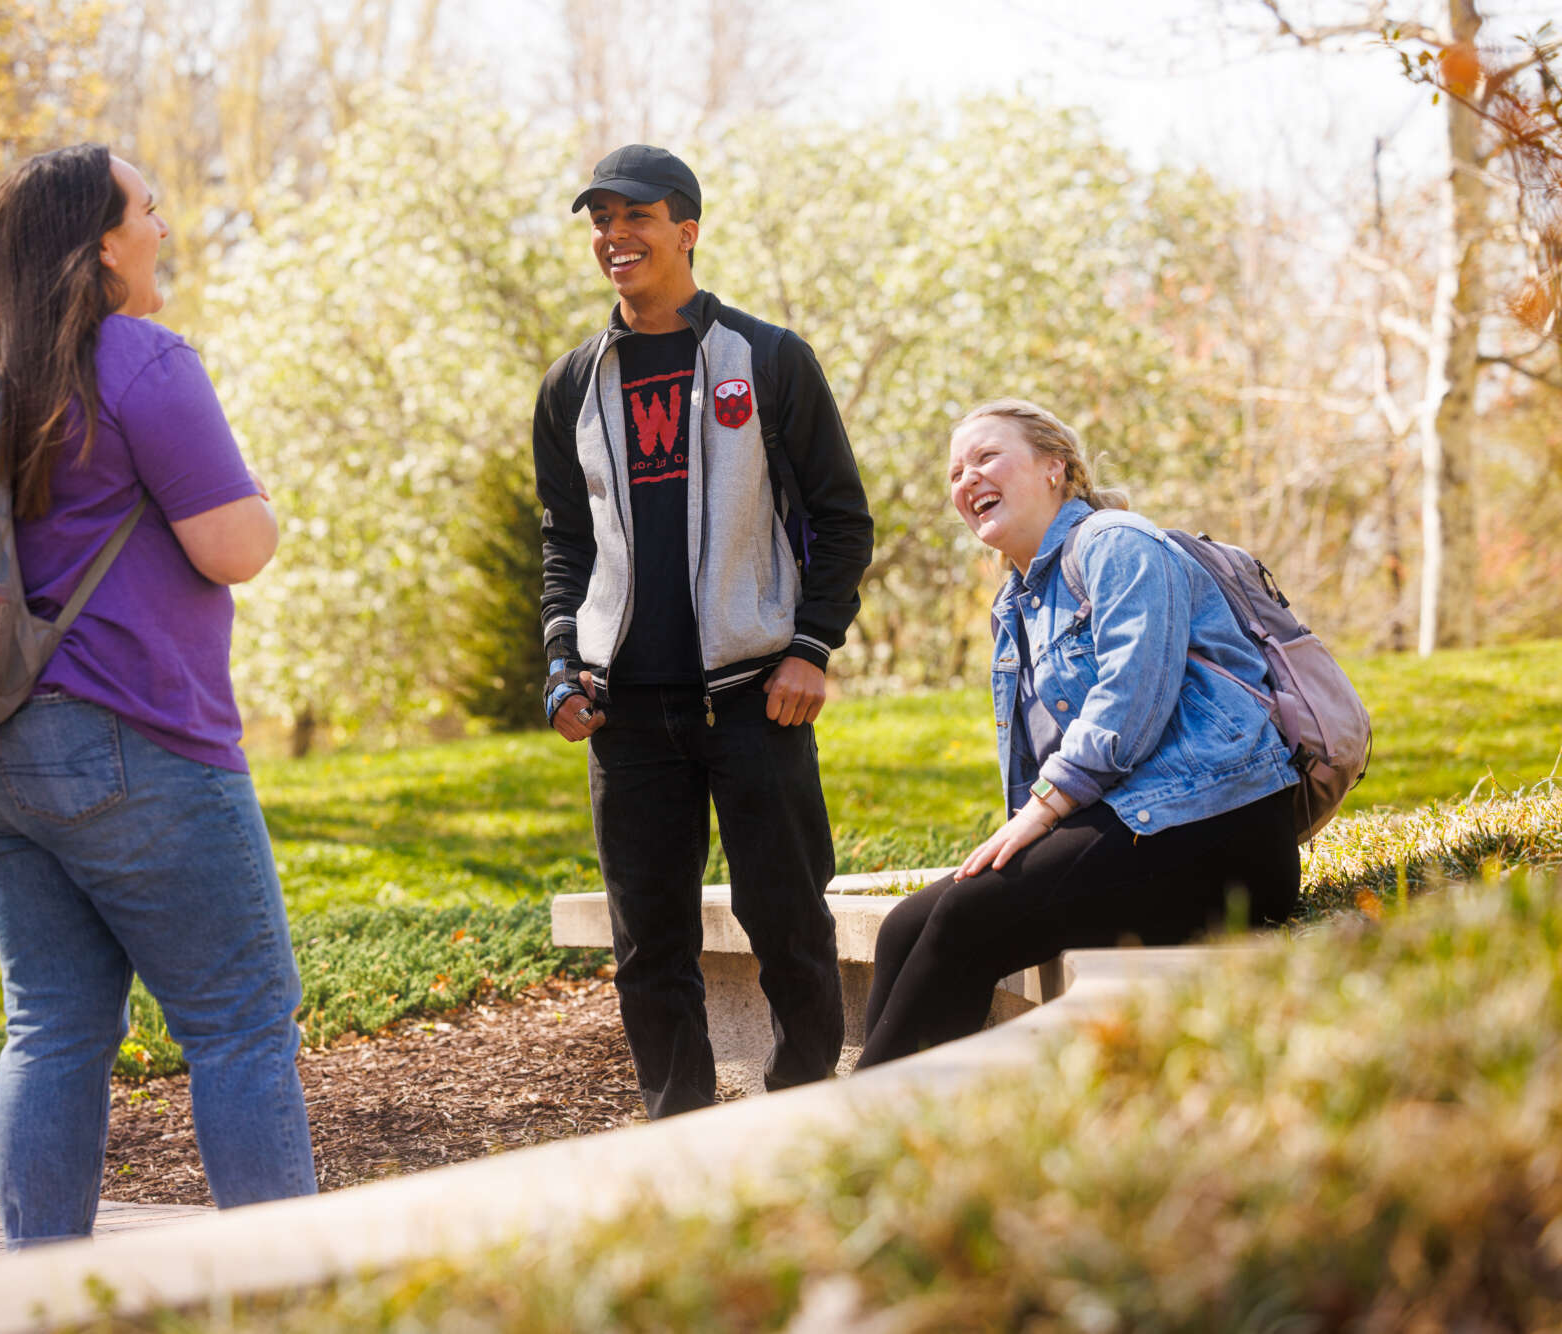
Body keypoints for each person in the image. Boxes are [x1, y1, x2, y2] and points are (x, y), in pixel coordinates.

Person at [0, 144, 316, 1245]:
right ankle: (293, 1298)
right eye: (149, 207)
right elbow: (234, 546)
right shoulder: (139, 361)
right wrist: (262, 506)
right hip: (132, 735)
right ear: (102, 243)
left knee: (50, 1028)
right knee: (241, 1024)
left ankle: (41, 1299)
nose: (163, 225)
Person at [533, 145, 874, 1119]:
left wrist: (810, 645)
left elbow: (841, 518)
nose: (613, 237)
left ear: (685, 227)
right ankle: (677, 1134)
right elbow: (564, 542)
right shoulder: (570, 386)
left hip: (753, 699)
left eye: (634, 216)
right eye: (599, 220)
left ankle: (803, 1116)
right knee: (648, 947)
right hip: (624, 716)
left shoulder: (766, 359)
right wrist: (562, 662)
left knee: (788, 924)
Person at [856, 399, 1302, 1068]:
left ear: (1053, 468)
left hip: (1223, 829)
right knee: (902, 929)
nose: (966, 479)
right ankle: (889, 1117)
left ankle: (860, 1139)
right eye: (954, 472)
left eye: (985, 458)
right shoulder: (1017, 604)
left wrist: (1042, 813)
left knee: (968, 919)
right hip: (1141, 826)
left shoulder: (1118, 544)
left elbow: (1131, 701)